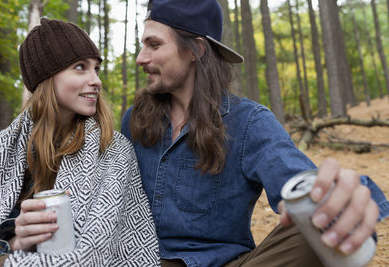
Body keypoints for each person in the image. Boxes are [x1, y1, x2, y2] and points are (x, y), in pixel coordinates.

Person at [120, 0, 389, 266]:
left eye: (154, 45)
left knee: (318, 227)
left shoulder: (249, 122)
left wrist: (339, 200)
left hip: (225, 263)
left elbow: (302, 187)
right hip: (141, 260)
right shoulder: (134, 120)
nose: (140, 57)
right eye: (143, 45)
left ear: (195, 50)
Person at [0, 18, 160, 266]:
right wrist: (12, 242)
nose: (96, 80)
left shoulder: (114, 151)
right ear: (45, 78)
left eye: (96, 69)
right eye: (80, 67)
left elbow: (95, 252)